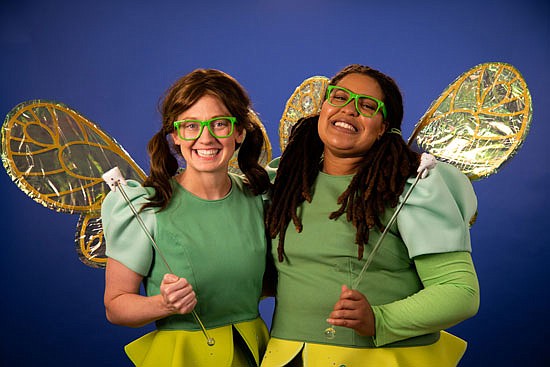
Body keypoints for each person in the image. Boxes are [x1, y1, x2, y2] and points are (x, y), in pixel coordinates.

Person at [261, 64, 480, 367]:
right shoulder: (283, 182)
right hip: (287, 357)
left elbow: (460, 292)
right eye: (338, 97)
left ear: (382, 128)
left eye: (366, 106)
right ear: (322, 108)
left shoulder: (409, 189)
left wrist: (379, 319)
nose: (349, 110)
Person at [101, 68, 271, 367]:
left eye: (219, 124)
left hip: (252, 351)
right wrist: (162, 304)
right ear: (175, 136)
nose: (205, 138)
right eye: (190, 126)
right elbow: (115, 307)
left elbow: (265, 283)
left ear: (239, 132)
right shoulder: (146, 207)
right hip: (182, 356)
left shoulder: (258, 198)